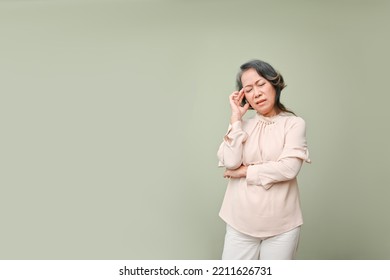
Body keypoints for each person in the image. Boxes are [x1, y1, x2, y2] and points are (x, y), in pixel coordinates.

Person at [217, 59, 310, 260]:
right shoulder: (241, 125)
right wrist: (235, 120)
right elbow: (231, 162)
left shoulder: (294, 124)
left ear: (274, 84)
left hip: (282, 226)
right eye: (248, 89)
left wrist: (245, 171)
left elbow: (289, 168)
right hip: (239, 221)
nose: (256, 93)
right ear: (244, 96)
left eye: (261, 84)